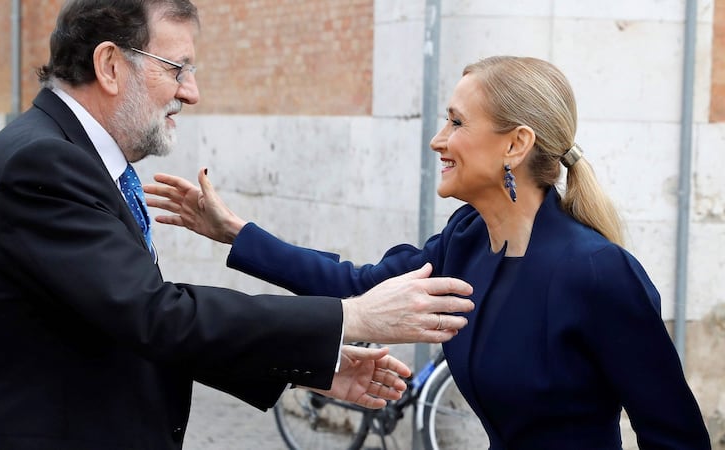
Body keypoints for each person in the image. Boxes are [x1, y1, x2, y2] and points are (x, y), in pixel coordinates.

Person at [0, 1, 478, 449]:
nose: (191, 92)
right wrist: (351, 316)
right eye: (177, 68)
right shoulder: (43, 163)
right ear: (110, 65)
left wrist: (307, 368)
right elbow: (156, 316)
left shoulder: (69, 156)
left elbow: (127, 324)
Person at [145, 55, 712, 448]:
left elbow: (675, 436)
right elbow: (359, 286)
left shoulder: (597, 273)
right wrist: (236, 233)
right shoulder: (466, 239)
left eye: (457, 122)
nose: (439, 139)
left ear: (516, 144)